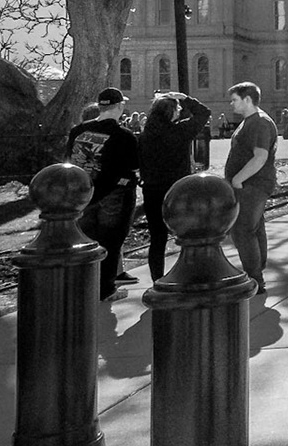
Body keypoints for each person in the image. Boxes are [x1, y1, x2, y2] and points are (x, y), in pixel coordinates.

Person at [67, 86, 140, 292]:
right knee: (111, 242)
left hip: (84, 193)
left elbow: (69, 161)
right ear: (120, 106)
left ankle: (86, 286)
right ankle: (105, 290)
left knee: (87, 241)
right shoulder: (124, 136)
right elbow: (134, 166)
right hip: (114, 195)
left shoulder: (78, 131)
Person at [137, 89, 211, 281]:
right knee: (187, 234)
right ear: (171, 112)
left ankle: (157, 279)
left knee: (157, 238)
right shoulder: (180, 131)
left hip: (152, 190)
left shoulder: (144, 136)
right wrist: (186, 99)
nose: (179, 112)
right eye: (177, 109)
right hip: (178, 190)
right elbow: (204, 113)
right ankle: (186, 276)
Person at [224, 81, 277, 298]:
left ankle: (255, 279)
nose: (231, 104)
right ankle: (257, 274)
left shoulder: (259, 123)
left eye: (235, 99)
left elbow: (260, 156)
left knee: (243, 230)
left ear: (248, 99)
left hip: (252, 185)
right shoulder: (251, 122)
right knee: (254, 229)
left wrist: (237, 179)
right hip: (251, 185)